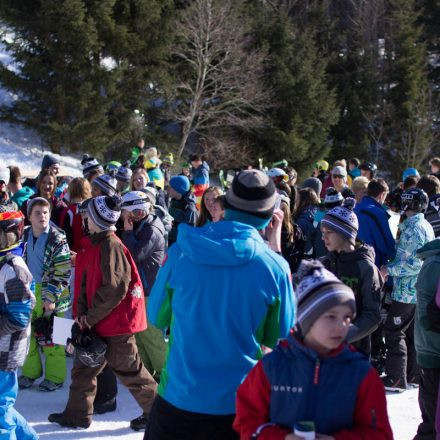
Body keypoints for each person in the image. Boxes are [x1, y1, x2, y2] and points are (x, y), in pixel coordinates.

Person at [146, 170, 296, 440]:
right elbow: (281, 336)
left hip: (178, 400)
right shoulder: (275, 268)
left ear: (226, 205)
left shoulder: (181, 252)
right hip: (238, 407)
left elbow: (156, 315)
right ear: (268, 216)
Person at [233, 260, 393, 440]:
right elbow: (247, 421)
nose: (342, 325)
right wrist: (282, 438)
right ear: (307, 319)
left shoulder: (361, 373)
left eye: (347, 317)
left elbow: (380, 434)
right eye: (330, 316)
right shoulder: (272, 367)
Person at [48, 195, 157, 431]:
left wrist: (89, 317)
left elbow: (115, 289)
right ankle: (77, 415)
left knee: (132, 372)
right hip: (99, 322)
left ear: (97, 220)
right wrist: (84, 316)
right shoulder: (97, 243)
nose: (84, 219)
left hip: (116, 326)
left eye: (87, 216)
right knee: (83, 369)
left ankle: (159, 416)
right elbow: (90, 281)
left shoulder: (111, 245)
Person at [380, 188, 435, 392]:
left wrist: (388, 269)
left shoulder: (414, 228)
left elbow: (414, 263)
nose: (404, 206)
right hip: (415, 290)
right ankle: (411, 374)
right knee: (410, 332)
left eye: (407, 202)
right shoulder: (422, 224)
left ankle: (396, 377)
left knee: (394, 331)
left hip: (407, 291)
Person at [19, 197, 71, 391]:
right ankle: (30, 372)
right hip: (29, 291)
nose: (43, 216)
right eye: (38, 213)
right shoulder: (22, 235)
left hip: (57, 296)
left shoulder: (58, 238)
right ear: (29, 217)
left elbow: (64, 271)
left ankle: (56, 377)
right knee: (27, 334)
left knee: (56, 338)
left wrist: (51, 298)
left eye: (46, 212)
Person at [320, 198, 382, 355]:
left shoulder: (366, 268)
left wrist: (343, 335)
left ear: (344, 234)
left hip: (354, 353)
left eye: (329, 232)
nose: (323, 237)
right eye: (322, 233)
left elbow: (372, 316)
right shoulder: (324, 263)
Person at [0, 208, 39, 440]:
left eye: (4, 235)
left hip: (7, 352)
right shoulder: (3, 265)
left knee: (0, 412)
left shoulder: (14, 269)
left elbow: (20, 316)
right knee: (3, 407)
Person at [121, 191, 167, 383]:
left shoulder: (152, 230)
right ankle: (147, 372)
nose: (124, 216)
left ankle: (166, 373)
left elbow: (133, 254)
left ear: (138, 212)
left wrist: (128, 231)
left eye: (126, 212)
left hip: (150, 290)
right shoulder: (143, 225)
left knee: (151, 335)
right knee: (139, 333)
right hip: (140, 289)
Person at [413, 239, 440, 439]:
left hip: (431, 344)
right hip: (431, 348)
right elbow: (425, 312)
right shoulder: (434, 264)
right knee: (431, 413)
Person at [355, 178, 395, 269]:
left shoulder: (354, 208)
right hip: (371, 264)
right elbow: (386, 245)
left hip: (351, 262)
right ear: (382, 194)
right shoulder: (378, 213)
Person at [59, 177, 92, 252]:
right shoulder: (93, 209)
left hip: (73, 256)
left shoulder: (68, 211)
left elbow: (64, 238)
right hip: (91, 254)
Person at [167, 175, 198, 246]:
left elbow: (190, 232)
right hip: (171, 242)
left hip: (180, 246)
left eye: (170, 187)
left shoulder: (189, 208)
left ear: (177, 190)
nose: (168, 189)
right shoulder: (174, 201)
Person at [295, 188, 320, 258]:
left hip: (306, 258)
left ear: (303, 202)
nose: (295, 202)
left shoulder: (301, 221)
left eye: (297, 199)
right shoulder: (320, 213)